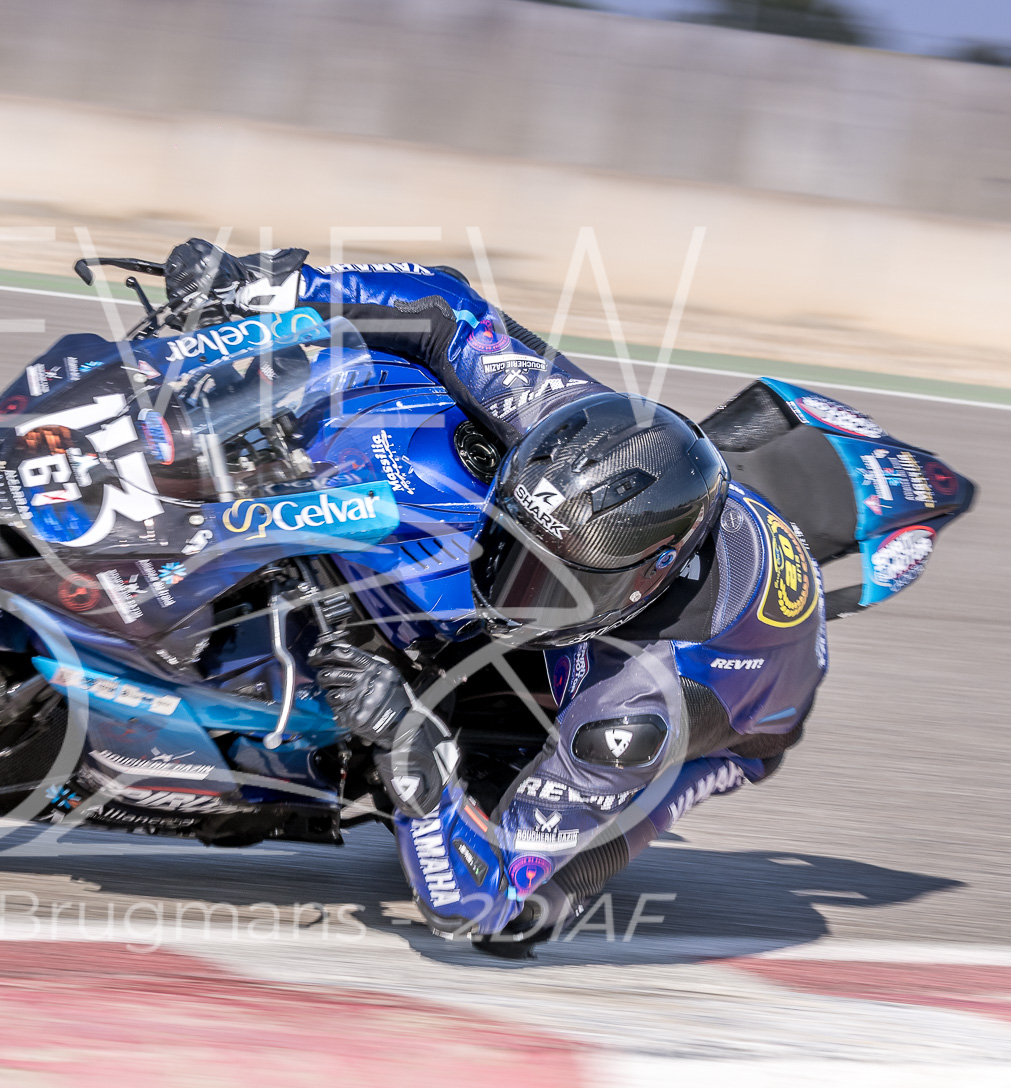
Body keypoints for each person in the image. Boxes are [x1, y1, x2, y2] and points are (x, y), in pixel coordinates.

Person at [161, 238, 827, 957]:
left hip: (737, 702)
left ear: (641, 578)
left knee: (518, 919)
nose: (509, 584)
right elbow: (446, 308)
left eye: (547, 579)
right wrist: (276, 286)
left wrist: (405, 740)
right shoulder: (566, 424)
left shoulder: (636, 708)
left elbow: (476, 900)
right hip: (691, 535)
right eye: (513, 547)